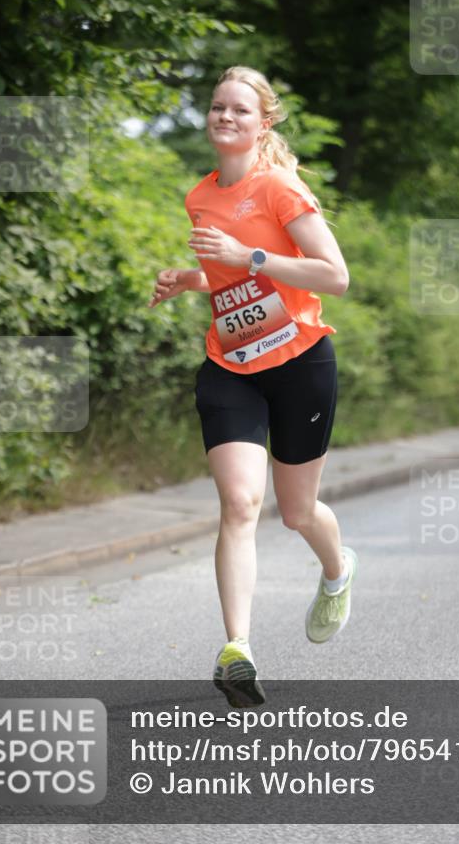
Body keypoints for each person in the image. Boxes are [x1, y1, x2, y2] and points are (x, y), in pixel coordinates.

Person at [148, 65, 357, 708]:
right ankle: (237, 649)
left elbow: (333, 277)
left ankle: (337, 568)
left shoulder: (280, 189)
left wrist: (248, 257)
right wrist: (196, 278)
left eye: (240, 109)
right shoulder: (200, 196)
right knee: (240, 504)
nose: (225, 117)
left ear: (262, 123)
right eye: (217, 108)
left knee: (295, 512)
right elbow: (238, 285)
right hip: (231, 365)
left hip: (300, 363)